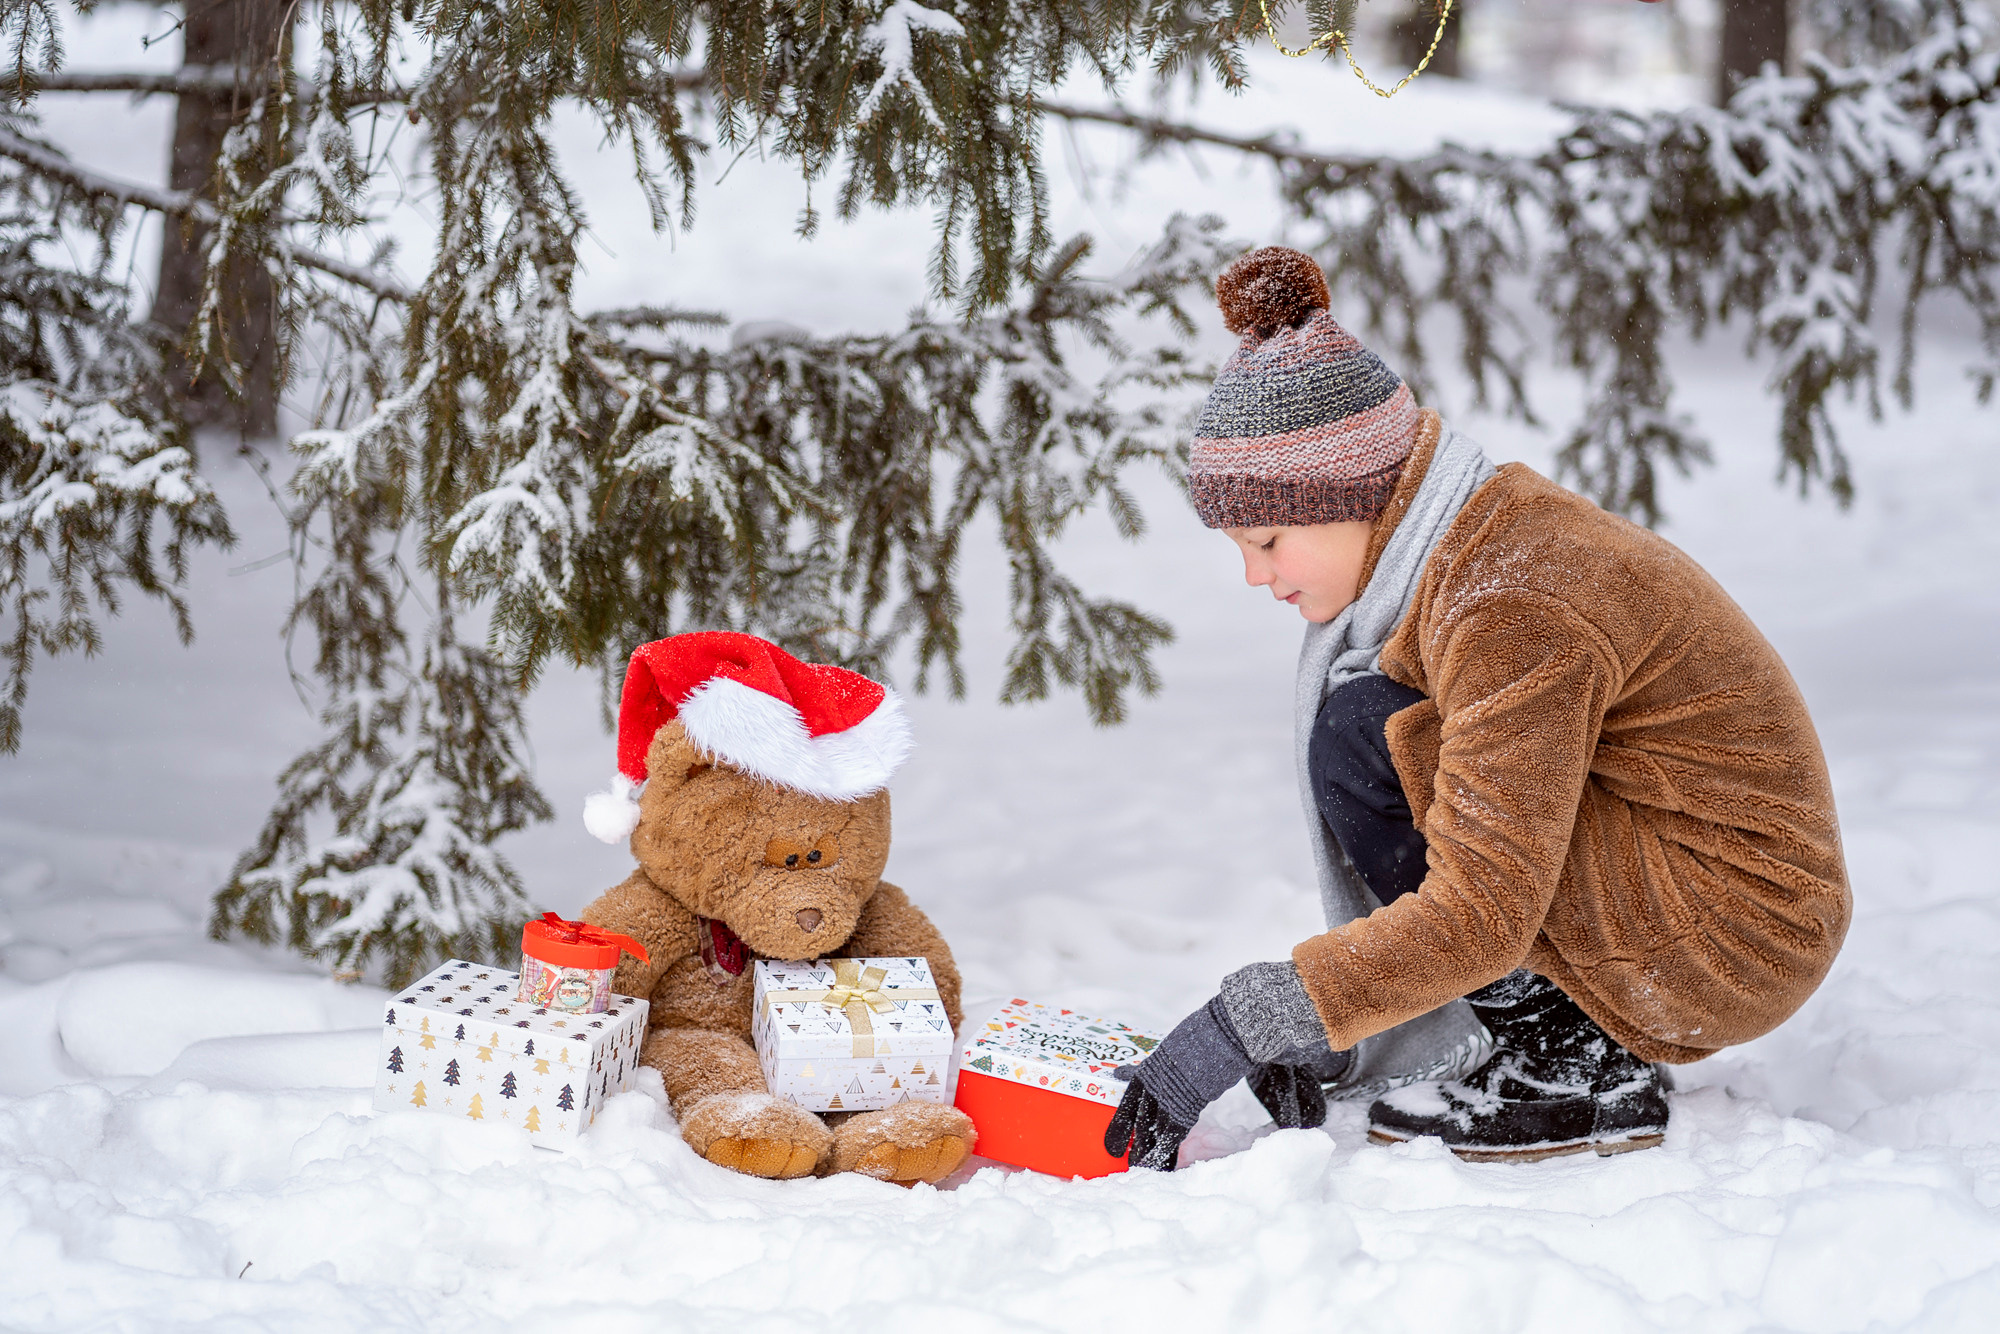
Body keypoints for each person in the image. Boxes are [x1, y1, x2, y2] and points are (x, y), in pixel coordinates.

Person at [1106, 247, 1851, 1166]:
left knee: (1372, 735)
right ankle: (1548, 1028)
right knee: (1369, 724)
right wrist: (1335, 1012)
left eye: (1266, 540)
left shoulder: (1511, 601)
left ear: (1355, 499)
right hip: (1683, 877)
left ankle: (1573, 1062)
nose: (1257, 576)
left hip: (1734, 933)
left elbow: (1486, 907)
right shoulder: (1469, 544)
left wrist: (1261, 1017)